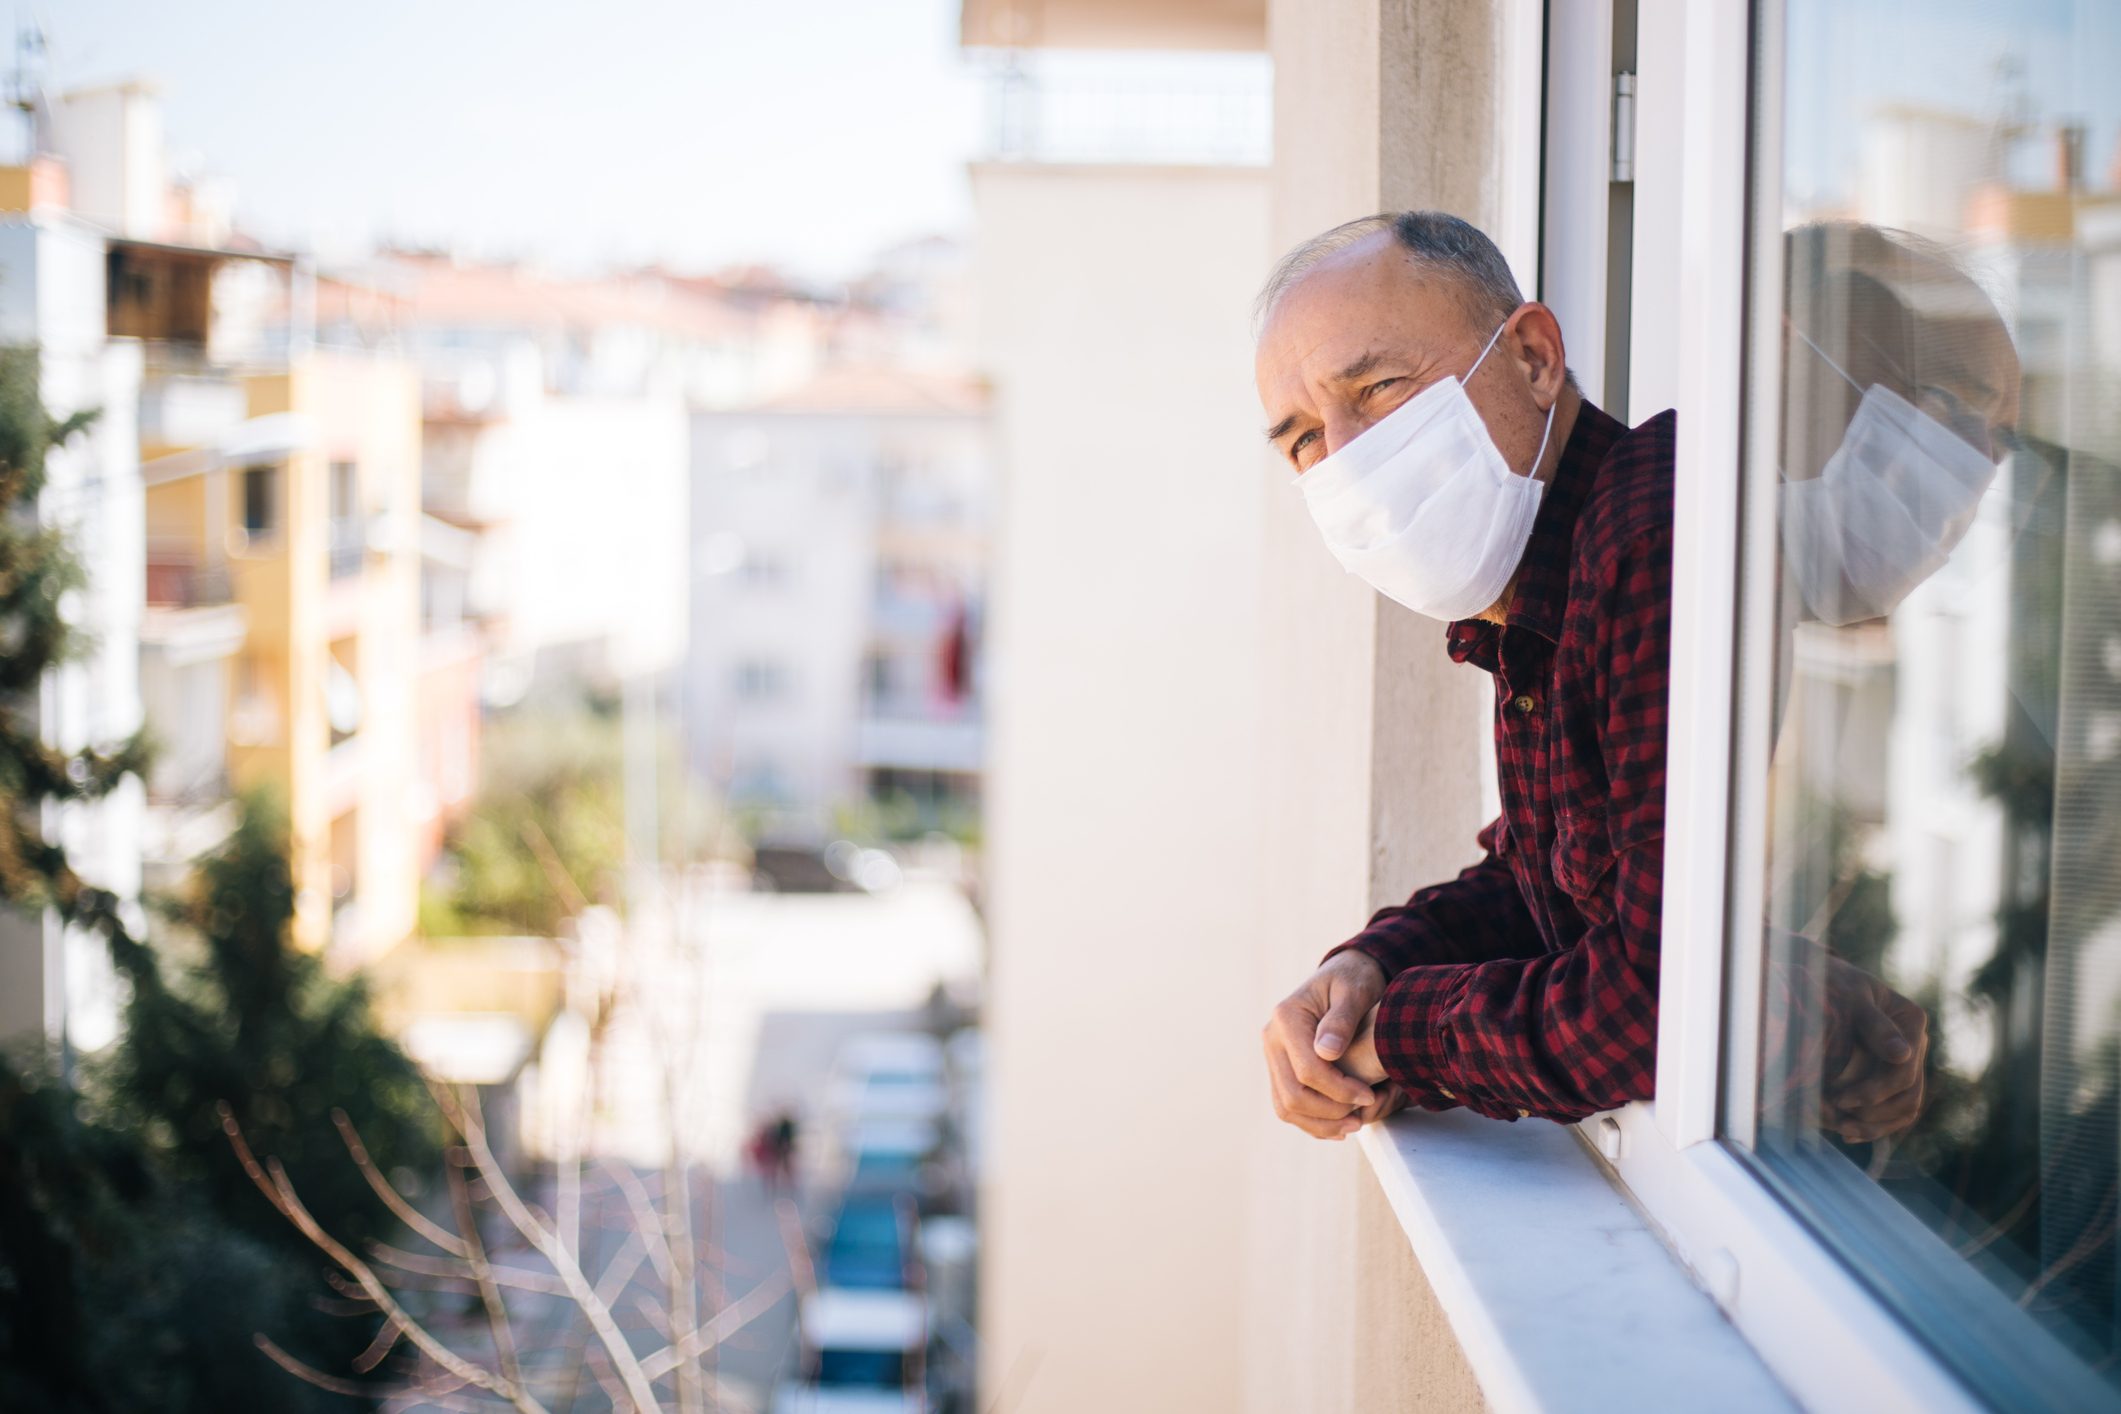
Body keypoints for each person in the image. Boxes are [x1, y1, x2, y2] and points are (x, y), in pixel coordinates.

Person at [1254, 212, 1953, 1141]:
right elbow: (1545, 885)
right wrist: (1367, 972)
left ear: (1534, 358)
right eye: (1301, 438)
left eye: (1378, 388)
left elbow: (1658, 1000)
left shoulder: (1649, 538)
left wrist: (1396, 1038)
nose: (1345, 460)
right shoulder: (1532, 593)